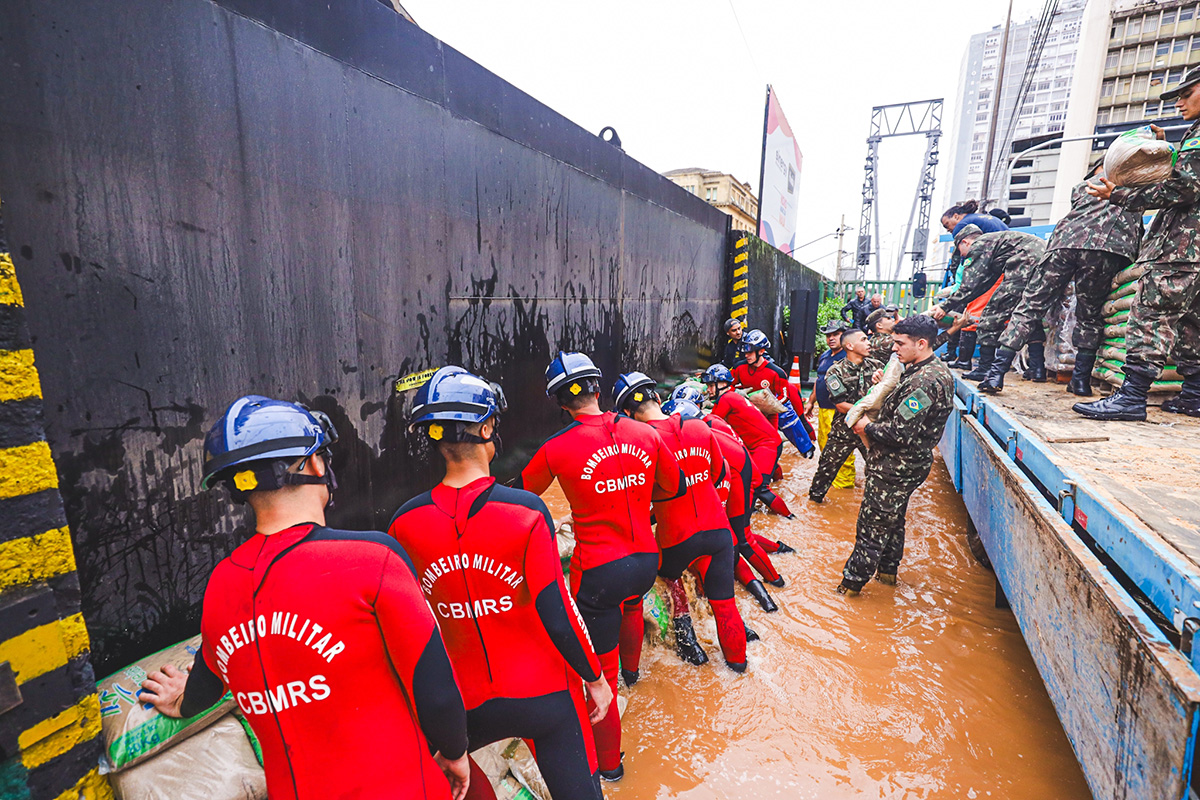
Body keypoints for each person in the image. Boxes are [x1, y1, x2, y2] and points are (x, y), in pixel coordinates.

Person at [139, 396, 471, 800]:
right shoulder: (372, 559)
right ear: (315, 465)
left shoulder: (221, 584)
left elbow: (206, 687)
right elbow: (435, 689)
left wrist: (182, 702)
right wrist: (455, 752)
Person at [391, 367, 610, 800]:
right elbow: (558, 609)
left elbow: (416, 636)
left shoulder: (403, 525)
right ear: (488, 426)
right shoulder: (525, 511)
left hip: (461, 707)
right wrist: (595, 677)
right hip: (544, 696)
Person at [516, 352, 683, 781]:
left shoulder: (555, 449)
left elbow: (519, 502)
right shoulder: (644, 433)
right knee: (631, 605)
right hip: (646, 560)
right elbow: (674, 486)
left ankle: (609, 769)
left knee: (598, 675)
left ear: (560, 402)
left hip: (598, 573)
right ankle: (634, 673)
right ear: (598, 388)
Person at [1074, 66, 1200, 420]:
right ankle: (1194, 395)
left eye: (1185, 94)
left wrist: (1121, 194)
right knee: (1192, 321)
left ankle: (1131, 398)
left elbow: (1185, 187)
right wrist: (1170, 151)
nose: (1178, 102)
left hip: (1184, 245)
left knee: (1151, 311)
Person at [613, 374, 748, 673]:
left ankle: (687, 638)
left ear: (626, 415)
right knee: (725, 605)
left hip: (676, 538)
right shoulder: (701, 425)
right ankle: (739, 669)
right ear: (659, 399)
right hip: (719, 533)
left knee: (668, 574)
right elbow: (716, 474)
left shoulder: (641, 442)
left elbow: (638, 494)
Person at [978, 161, 1144, 394]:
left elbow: (1079, 204)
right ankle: (1080, 381)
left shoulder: (1083, 186)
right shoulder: (1139, 188)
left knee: (1030, 307)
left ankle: (996, 374)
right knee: (1089, 315)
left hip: (1063, 244)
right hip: (1104, 250)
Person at [840, 316, 955, 594]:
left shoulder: (926, 382)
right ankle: (887, 576)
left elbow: (899, 433)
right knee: (893, 521)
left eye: (900, 343)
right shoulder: (921, 370)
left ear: (922, 343)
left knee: (872, 526)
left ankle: (850, 588)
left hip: (895, 466)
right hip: (905, 465)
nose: (894, 349)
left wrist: (866, 426)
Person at [931, 228, 1047, 381]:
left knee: (991, 315)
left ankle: (985, 369)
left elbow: (970, 285)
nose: (963, 255)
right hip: (1046, 260)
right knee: (1029, 315)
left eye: (961, 250)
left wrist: (944, 306)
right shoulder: (996, 243)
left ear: (965, 242)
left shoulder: (980, 245)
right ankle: (1037, 369)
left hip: (1026, 262)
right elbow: (984, 283)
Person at [701, 363, 794, 517]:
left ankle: (789, 517)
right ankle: (778, 483)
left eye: (711, 385)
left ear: (723, 384)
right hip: (766, 444)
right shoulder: (733, 395)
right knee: (758, 478)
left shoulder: (725, 399)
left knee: (758, 487)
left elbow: (711, 423)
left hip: (766, 446)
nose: (708, 390)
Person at [808, 329, 882, 503]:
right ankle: (813, 505)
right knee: (825, 472)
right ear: (849, 345)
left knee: (879, 470)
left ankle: (874, 506)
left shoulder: (876, 366)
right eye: (863, 339)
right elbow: (840, 405)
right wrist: (867, 411)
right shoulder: (835, 371)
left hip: (869, 429)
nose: (868, 342)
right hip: (843, 431)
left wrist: (883, 382)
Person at [732, 328, 814, 457]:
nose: (746, 355)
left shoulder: (777, 372)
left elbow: (784, 396)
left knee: (789, 420)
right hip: (749, 405)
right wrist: (737, 393)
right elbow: (729, 386)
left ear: (761, 351)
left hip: (773, 407)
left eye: (750, 351)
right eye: (745, 351)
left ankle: (807, 448)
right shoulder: (739, 368)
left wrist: (767, 406)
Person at [812, 320, 857, 490]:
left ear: (844, 336)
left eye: (835, 335)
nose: (831, 338)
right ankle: (832, 480)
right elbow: (819, 379)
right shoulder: (825, 356)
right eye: (828, 335)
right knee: (824, 445)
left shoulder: (848, 356)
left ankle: (845, 486)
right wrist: (811, 401)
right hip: (823, 409)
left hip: (840, 410)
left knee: (842, 450)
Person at [940, 199, 1010, 236]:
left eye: (947, 224)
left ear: (956, 216)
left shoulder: (961, 225)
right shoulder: (979, 217)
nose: (947, 230)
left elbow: (961, 253)